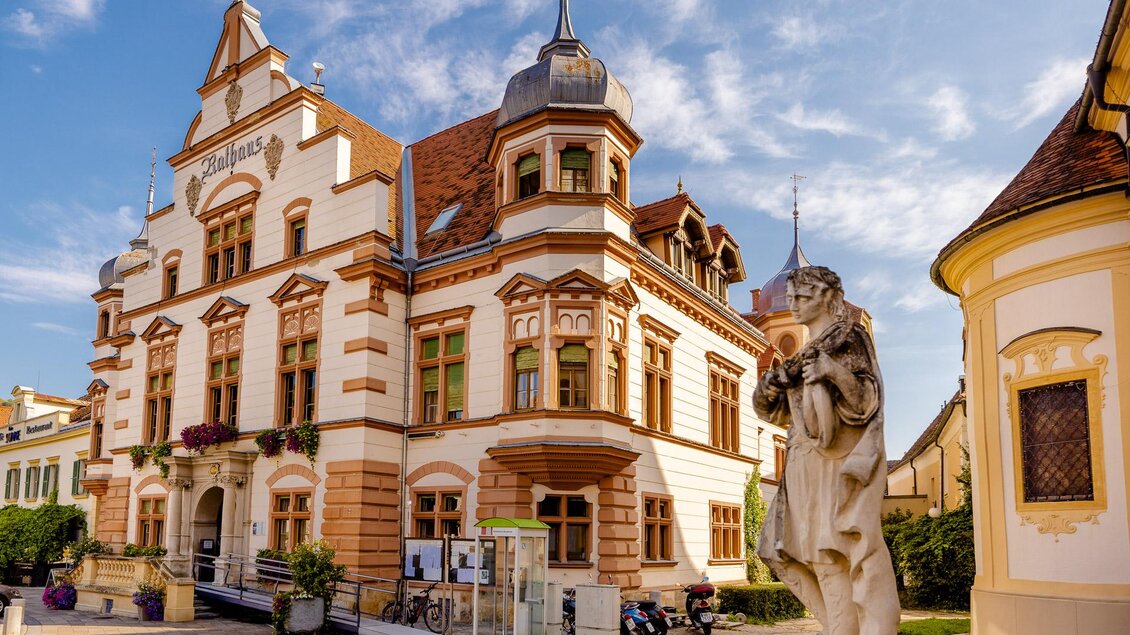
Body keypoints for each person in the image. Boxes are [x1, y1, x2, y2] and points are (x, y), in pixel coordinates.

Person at [754, 266, 899, 635]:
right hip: (803, 460)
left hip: (837, 459)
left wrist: (833, 372)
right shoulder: (801, 357)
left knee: (847, 548)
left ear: (829, 296)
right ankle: (840, 628)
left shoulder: (849, 336)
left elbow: (867, 401)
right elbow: (772, 410)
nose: (795, 304)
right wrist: (770, 388)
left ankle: (871, 628)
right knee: (807, 554)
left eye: (804, 297)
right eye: (792, 298)